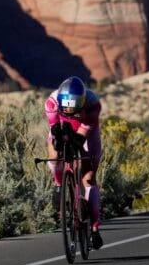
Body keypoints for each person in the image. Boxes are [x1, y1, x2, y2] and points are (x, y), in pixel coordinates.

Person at [45, 75, 104, 249]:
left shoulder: (93, 104)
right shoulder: (51, 103)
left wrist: (75, 147)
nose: (70, 110)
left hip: (86, 132)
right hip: (63, 128)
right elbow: (54, 130)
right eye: (66, 107)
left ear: (82, 101)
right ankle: (58, 184)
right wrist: (60, 144)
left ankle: (94, 228)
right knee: (55, 155)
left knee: (88, 177)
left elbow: (82, 137)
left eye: (75, 107)